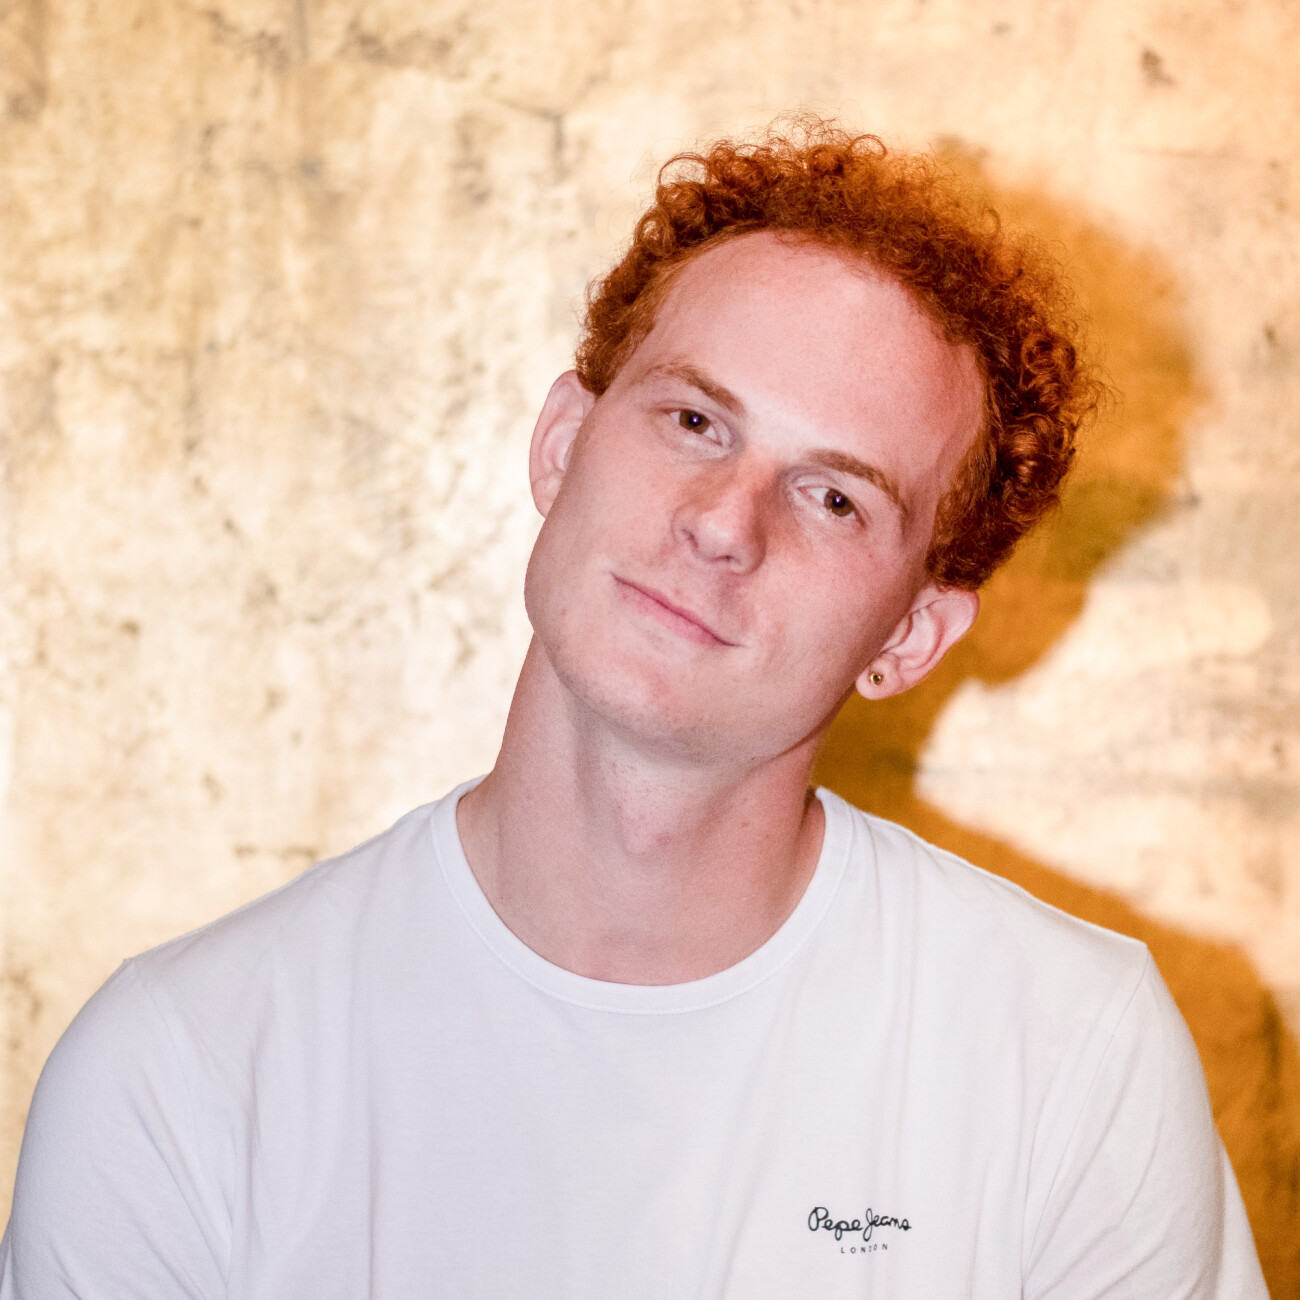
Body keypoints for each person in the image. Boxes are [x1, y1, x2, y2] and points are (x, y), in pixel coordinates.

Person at [0, 122, 1267, 1298]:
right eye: (694, 420)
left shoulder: (1068, 1057)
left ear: (909, 636)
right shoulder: (178, 1073)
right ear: (562, 444)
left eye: (834, 497)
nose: (723, 523)